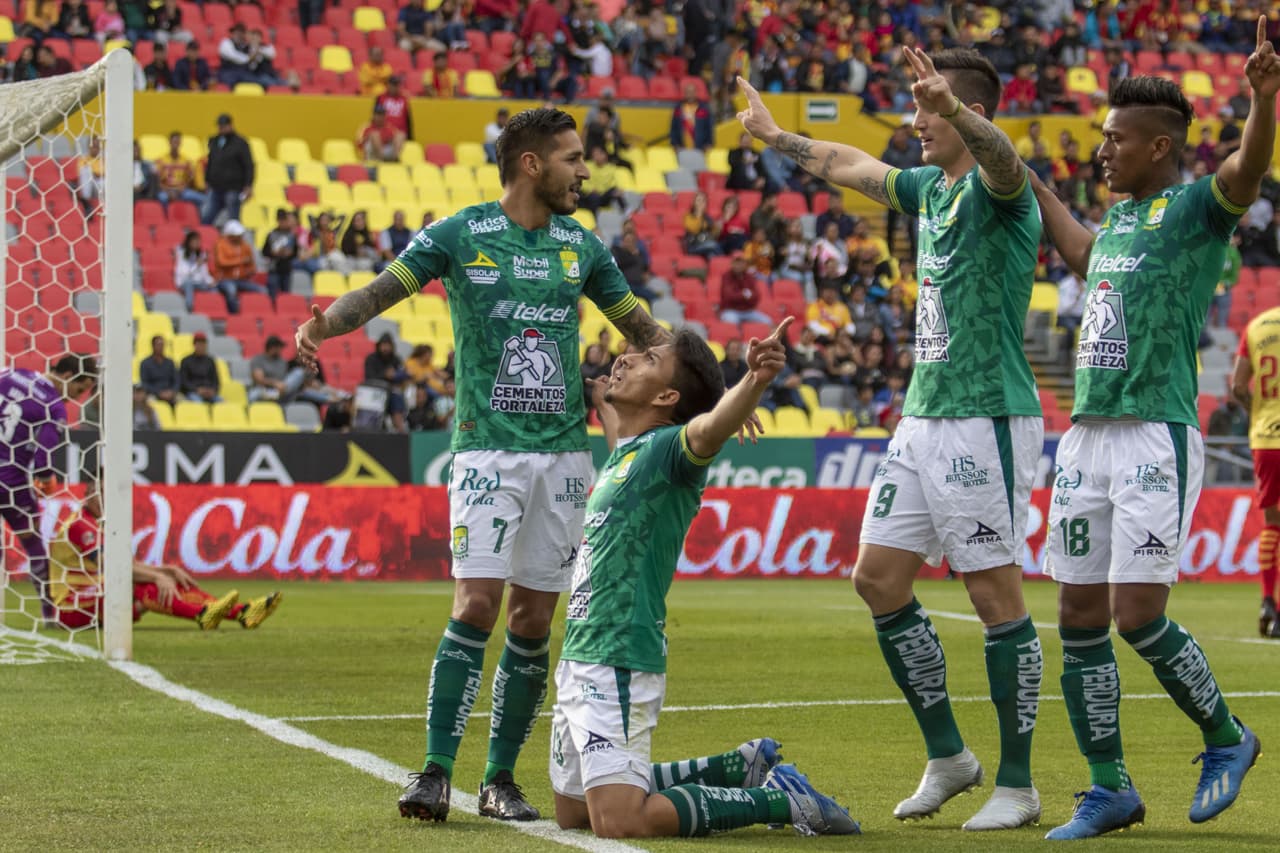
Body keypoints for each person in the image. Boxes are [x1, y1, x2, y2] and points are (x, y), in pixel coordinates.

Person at [294, 107, 675, 824]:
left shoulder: (582, 246)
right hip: (486, 452)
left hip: (564, 457)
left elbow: (644, 331)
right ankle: (435, 771)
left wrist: (720, 394)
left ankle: (500, 778)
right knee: (475, 604)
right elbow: (379, 292)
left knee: (532, 619)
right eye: (571, 158)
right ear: (531, 163)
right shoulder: (460, 233)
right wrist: (324, 325)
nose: (583, 170)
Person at [738, 45, 1047, 832]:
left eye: (925, 109)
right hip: (924, 414)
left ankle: (1018, 782)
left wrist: (955, 108)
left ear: (963, 111)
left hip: (985, 416)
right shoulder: (931, 189)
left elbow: (1003, 158)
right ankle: (950, 755)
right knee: (876, 578)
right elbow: (849, 164)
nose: (914, 122)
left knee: (993, 595)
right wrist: (776, 137)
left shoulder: (1001, 189)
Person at [1029, 24, 1275, 837]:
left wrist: (1263, 100)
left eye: (1115, 139)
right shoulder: (1119, 224)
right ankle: (1109, 787)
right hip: (1086, 437)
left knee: (1137, 613)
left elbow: (1245, 170)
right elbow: (1078, 247)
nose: (1102, 150)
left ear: (1159, 145)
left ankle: (1226, 735)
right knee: (1077, 614)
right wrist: (1023, 177)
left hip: (1152, 434)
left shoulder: (1195, 210)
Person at [551, 320, 859, 840]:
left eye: (648, 359)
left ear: (667, 396)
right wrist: (604, 401)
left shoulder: (670, 451)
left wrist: (753, 381)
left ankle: (781, 799)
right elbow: (628, 424)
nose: (626, 358)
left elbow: (707, 430)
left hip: (618, 655)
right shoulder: (629, 452)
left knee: (620, 821)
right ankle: (734, 767)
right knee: (573, 812)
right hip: (581, 654)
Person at [49, 486, 281, 631]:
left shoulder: (102, 522)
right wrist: (157, 577)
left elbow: (128, 566)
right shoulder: (80, 524)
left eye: (109, 492)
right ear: (89, 494)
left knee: (168, 579)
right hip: (70, 605)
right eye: (100, 493)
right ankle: (202, 614)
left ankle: (242, 611)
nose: (105, 499)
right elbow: (110, 566)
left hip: (95, 596)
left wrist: (164, 571)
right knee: (139, 584)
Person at [0, 355, 97, 620]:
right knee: (33, 544)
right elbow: (44, 458)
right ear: (66, 377)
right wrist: (46, 480)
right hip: (12, 483)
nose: (76, 398)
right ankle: (49, 612)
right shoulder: (53, 406)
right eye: (78, 390)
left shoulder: (11, 375)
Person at [1232, 300, 1280, 639]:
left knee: (1272, 521)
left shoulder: (1257, 326)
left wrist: (1259, 414)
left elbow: (1238, 387)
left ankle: (1267, 602)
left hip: (1265, 439)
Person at [202, 113, 254, 226]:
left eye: (224, 126)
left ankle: (234, 236)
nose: (221, 128)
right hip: (215, 187)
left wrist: (248, 185)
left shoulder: (240, 143)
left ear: (230, 125)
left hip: (233, 188)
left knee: (233, 219)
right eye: (219, 126)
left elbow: (248, 165)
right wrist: (207, 180)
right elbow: (210, 162)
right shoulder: (214, 141)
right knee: (207, 217)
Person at [211, 219, 267, 314]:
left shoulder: (245, 246)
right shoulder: (221, 245)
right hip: (225, 279)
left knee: (263, 290)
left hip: (242, 279)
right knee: (231, 290)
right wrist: (240, 261)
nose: (240, 237)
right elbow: (222, 262)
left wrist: (250, 271)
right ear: (230, 236)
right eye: (237, 236)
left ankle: (255, 313)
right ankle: (234, 315)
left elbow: (251, 265)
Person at [154, 130, 205, 211]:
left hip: (182, 191)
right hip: (166, 190)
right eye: (174, 142)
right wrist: (168, 191)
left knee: (203, 199)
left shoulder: (186, 161)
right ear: (169, 142)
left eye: (178, 142)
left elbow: (189, 179)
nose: (176, 144)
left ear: (180, 143)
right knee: (162, 198)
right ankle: (167, 218)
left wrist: (181, 189)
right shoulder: (161, 160)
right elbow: (157, 180)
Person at [718, 252, 772, 326]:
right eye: (736, 262)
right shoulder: (726, 276)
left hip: (748, 311)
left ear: (745, 264)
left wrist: (741, 295)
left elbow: (756, 296)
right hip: (730, 310)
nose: (738, 265)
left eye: (741, 262)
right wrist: (744, 295)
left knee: (768, 322)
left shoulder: (749, 277)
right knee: (732, 322)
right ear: (732, 264)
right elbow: (729, 296)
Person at [262, 208, 300, 298]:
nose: (283, 223)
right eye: (281, 220)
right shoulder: (271, 234)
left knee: (285, 295)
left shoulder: (291, 235)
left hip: (286, 269)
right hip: (274, 268)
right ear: (278, 221)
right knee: (272, 294)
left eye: (284, 220)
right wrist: (274, 253)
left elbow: (295, 253)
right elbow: (264, 252)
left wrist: (289, 253)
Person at [175, 229, 216, 311]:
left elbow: (204, 273)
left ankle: (211, 309)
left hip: (199, 282)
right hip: (185, 281)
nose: (197, 243)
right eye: (194, 241)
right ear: (188, 242)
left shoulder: (201, 255)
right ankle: (189, 308)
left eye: (198, 241)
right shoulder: (181, 254)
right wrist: (197, 265)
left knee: (215, 288)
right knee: (189, 283)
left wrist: (211, 281)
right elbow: (184, 274)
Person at [179, 332, 221, 402]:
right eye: (199, 344)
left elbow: (216, 381)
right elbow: (184, 381)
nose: (201, 347)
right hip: (193, 392)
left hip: (209, 392)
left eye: (203, 344)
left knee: (221, 402)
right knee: (198, 402)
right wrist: (197, 389)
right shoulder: (186, 361)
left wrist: (212, 390)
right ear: (194, 345)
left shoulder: (210, 361)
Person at [139, 335, 178, 404]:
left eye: (162, 345)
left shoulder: (170, 362)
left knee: (183, 402)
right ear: (153, 346)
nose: (161, 347)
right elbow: (145, 383)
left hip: (170, 393)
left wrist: (172, 391)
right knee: (150, 402)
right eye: (158, 345)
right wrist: (159, 392)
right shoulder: (145, 363)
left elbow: (176, 380)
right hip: (153, 393)